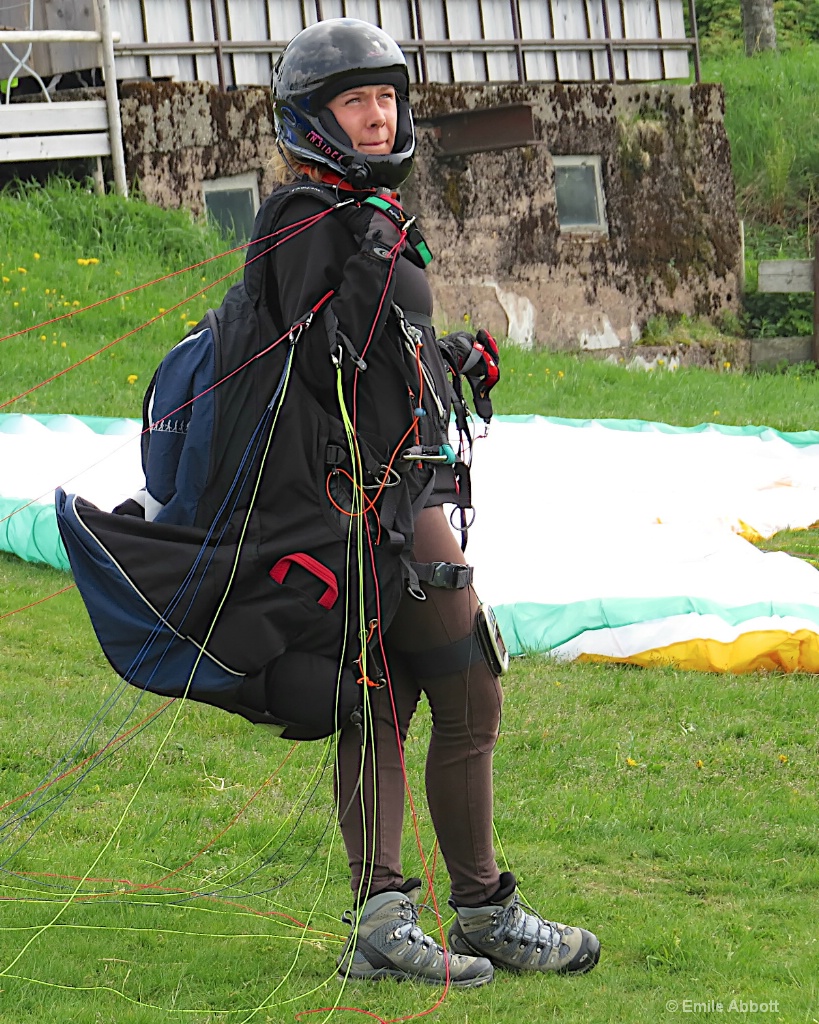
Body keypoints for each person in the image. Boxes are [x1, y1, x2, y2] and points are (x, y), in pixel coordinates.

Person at [264, 18, 602, 987]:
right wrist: (370, 252)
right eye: (355, 101)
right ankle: (472, 912)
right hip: (365, 512)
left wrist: (445, 360)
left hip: (393, 496)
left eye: (387, 97)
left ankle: (394, 922)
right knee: (462, 692)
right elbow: (313, 353)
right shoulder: (304, 221)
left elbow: (377, 360)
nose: (379, 115)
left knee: (396, 699)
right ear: (314, 121)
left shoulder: (357, 213)